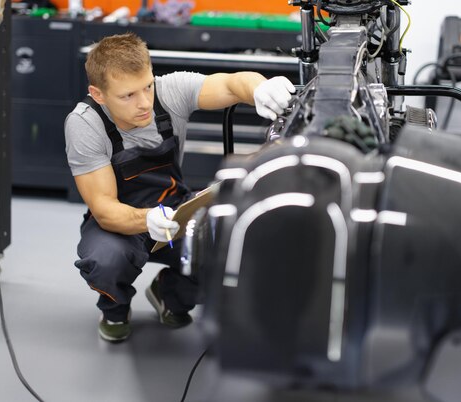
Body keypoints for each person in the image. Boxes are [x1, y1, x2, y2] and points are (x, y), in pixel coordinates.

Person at [64, 32, 295, 343]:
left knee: (228, 249)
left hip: (175, 209)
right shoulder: (84, 124)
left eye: (147, 86)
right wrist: (146, 220)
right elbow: (104, 208)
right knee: (105, 260)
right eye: (128, 95)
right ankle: (114, 308)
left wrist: (260, 87)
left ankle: (171, 295)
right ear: (99, 94)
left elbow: (230, 83)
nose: (144, 102)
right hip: (119, 224)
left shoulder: (169, 91)